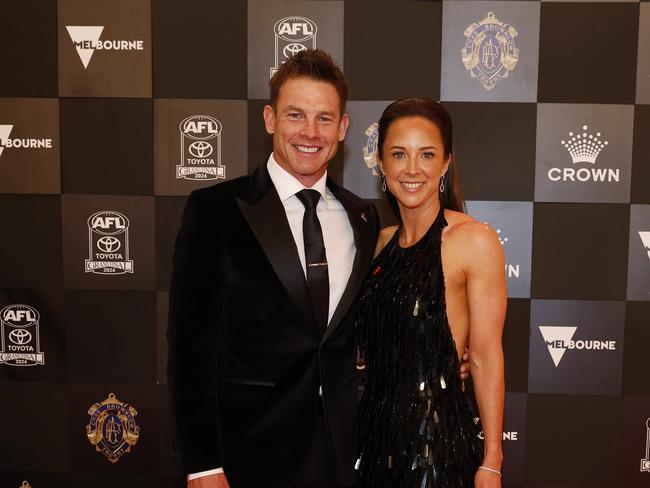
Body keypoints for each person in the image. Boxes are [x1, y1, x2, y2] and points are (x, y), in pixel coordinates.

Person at [167, 49, 380, 488]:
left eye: (324, 119)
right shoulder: (215, 211)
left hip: (342, 459)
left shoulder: (363, 218)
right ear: (269, 119)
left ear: (343, 128)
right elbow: (189, 352)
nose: (310, 132)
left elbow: (359, 328)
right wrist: (203, 465)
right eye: (295, 115)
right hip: (248, 460)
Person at [354, 98, 506, 487]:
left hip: (436, 450)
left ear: (445, 163)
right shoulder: (376, 244)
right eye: (399, 154)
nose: (412, 169)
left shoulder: (473, 240)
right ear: (382, 164)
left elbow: (486, 356)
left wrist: (492, 461)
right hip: (371, 445)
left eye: (427, 154)